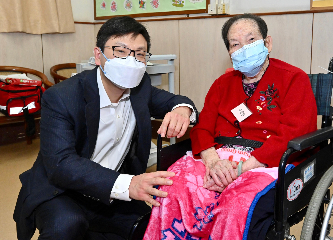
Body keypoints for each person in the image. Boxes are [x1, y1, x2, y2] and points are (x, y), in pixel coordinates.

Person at [13, 16, 197, 240]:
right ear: (99, 55)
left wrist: (182, 110)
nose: (131, 61)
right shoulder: (62, 97)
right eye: (120, 51)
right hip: (62, 190)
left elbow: (177, 100)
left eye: (139, 54)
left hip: (111, 191)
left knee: (156, 223)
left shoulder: (141, 89)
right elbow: (61, 164)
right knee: (67, 225)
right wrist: (128, 183)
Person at [144, 14, 317, 240]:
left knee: (237, 205)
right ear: (229, 53)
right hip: (218, 157)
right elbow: (203, 128)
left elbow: (295, 132)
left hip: (267, 160)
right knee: (172, 189)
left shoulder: (293, 78)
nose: (243, 48)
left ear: (268, 43)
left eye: (251, 40)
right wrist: (214, 163)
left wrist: (239, 171)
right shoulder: (221, 84)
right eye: (235, 44)